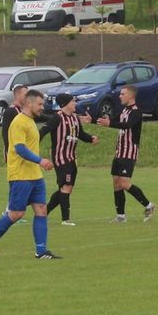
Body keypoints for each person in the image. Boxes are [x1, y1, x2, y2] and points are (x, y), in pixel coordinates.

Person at [0, 89, 62, 260]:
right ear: (29, 103)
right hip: (20, 175)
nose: (42, 107)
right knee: (16, 214)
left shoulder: (30, 121)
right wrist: (40, 160)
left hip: (35, 175)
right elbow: (20, 149)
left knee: (41, 210)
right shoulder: (18, 122)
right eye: (39, 104)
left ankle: (41, 251)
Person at [97, 84, 155, 223]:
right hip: (119, 152)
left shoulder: (136, 112)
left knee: (124, 183)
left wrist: (109, 124)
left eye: (122, 94)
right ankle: (121, 216)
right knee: (116, 183)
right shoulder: (124, 110)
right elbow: (114, 121)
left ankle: (149, 205)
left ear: (130, 96)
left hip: (129, 152)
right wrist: (93, 120)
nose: (120, 96)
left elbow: (127, 125)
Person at [43, 93, 98, 226]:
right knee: (66, 187)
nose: (75, 104)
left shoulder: (75, 118)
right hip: (61, 159)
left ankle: (44, 212)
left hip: (72, 158)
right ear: (65, 104)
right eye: (73, 101)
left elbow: (81, 135)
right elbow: (42, 132)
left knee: (66, 188)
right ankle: (65, 219)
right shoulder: (56, 118)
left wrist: (91, 138)